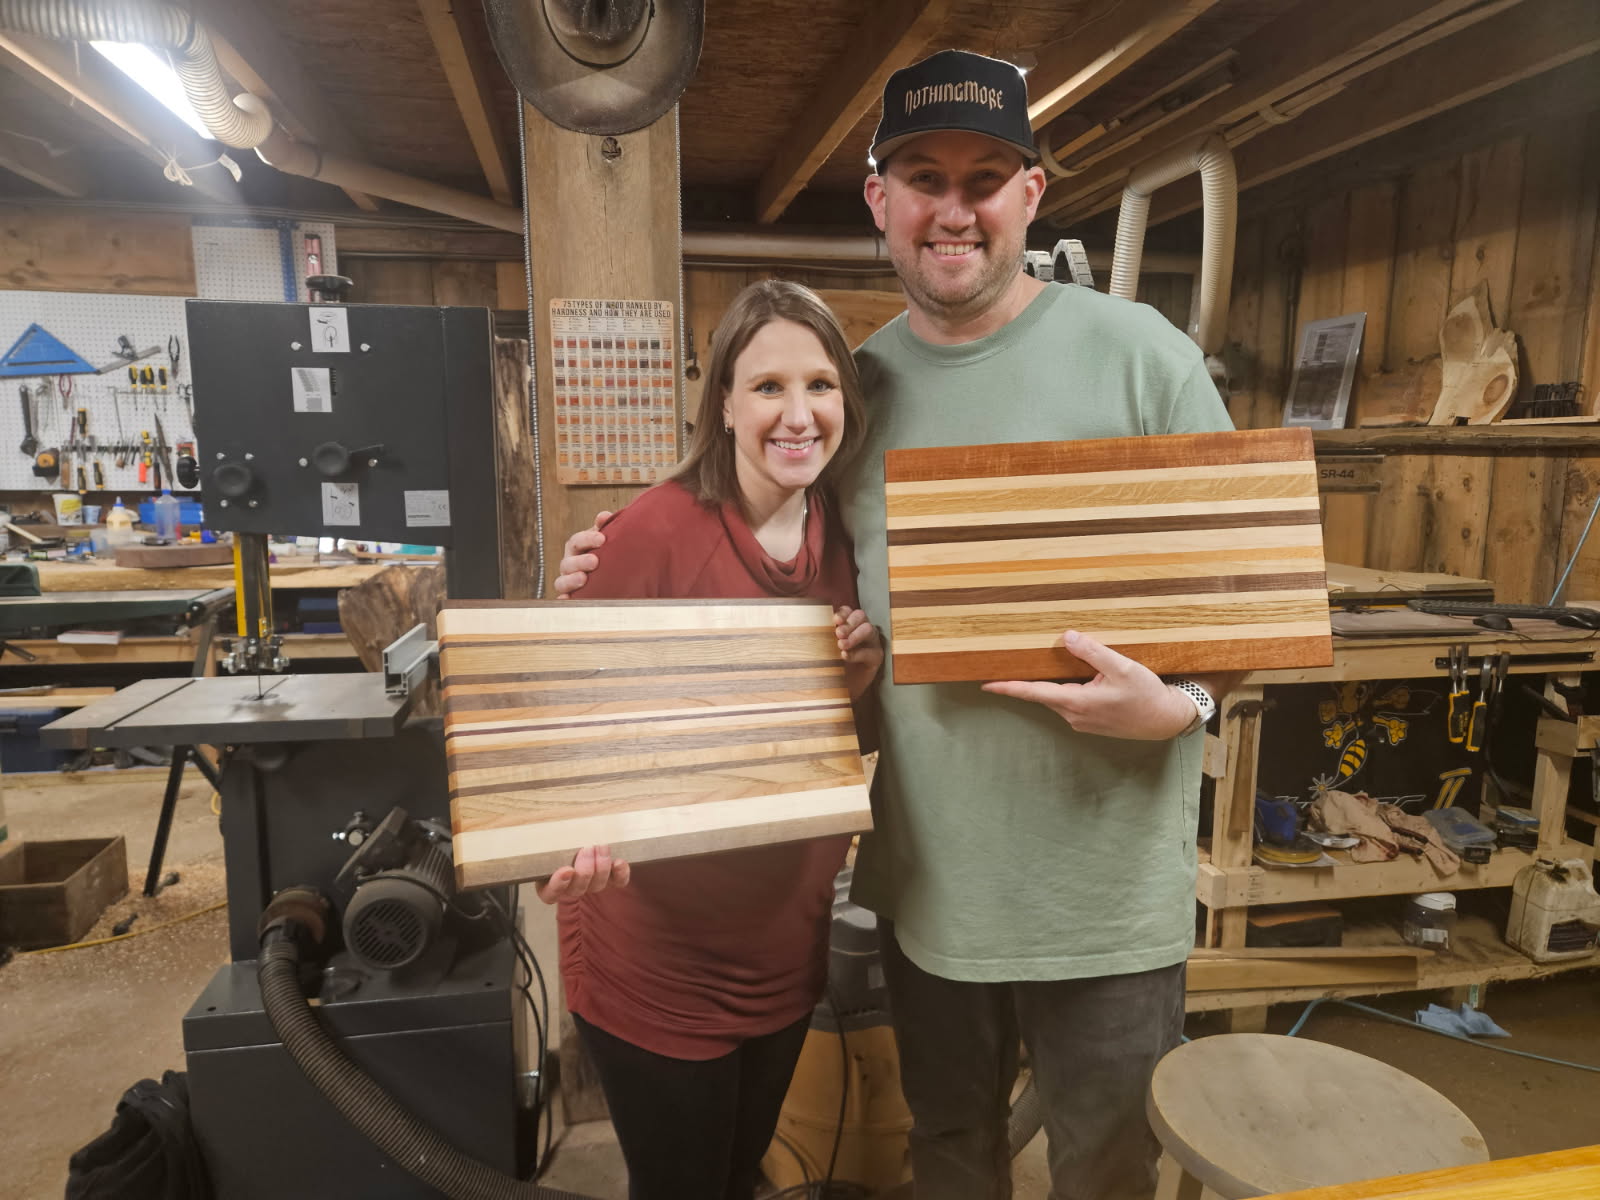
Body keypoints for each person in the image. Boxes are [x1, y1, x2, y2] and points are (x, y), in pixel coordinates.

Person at [558, 50, 1238, 1200]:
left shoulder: (1145, 362)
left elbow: (1252, 595)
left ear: (1031, 192)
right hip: (933, 895)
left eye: (986, 176)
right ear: (881, 202)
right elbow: (764, 572)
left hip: (1105, 901)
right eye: (923, 177)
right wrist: (599, 573)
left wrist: (1185, 706)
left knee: (1107, 1174)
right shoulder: (848, 398)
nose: (954, 208)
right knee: (950, 1155)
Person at [535, 279, 883, 1200]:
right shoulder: (649, 533)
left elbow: (841, 731)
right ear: (723, 402)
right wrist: (559, 851)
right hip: (659, 952)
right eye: (768, 386)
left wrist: (859, 677)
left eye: (821, 384)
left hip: (783, 939)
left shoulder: (845, 537)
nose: (798, 413)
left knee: (739, 1175)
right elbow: (556, 725)